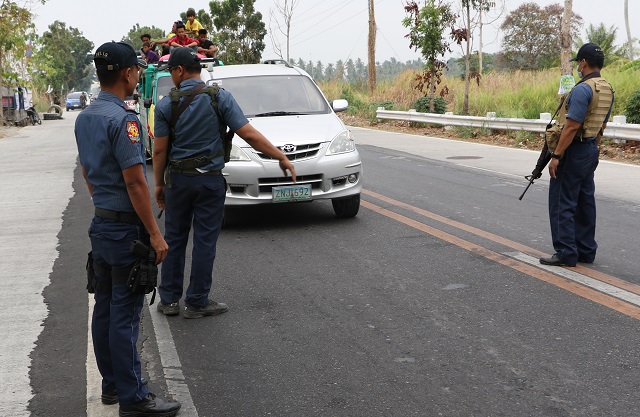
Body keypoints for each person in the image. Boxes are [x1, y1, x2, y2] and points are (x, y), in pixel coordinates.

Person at [75, 41, 181, 416]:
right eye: (136, 69)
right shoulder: (126, 120)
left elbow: (88, 173)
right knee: (125, 314)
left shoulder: (85, 117)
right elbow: (136, 183)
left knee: (104, 309)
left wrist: (103, 204)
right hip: (124, 234)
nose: (139, 74)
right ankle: (134, 397)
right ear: (126, 73)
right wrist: (154, 232)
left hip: (101, 226)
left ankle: (111, 387)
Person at [152, 48, 296, 318]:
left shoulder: (165, 104)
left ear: (180, 70)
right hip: (209, 183)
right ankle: (196, 302)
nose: (171, 76)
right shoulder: (220, 98)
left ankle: (169, 300)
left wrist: (159, 185)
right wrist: (280, 156)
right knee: (205, 241)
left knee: (175, 238)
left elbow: (159, 151)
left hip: (178, 183)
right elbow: (249, 134)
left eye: (171, 70)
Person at [539, 42, 614, 267]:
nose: (578, 68)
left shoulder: (583, 89)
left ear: (583, 63)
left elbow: (571, 126)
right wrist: (594, 148)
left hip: (574, 150)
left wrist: (557, 156)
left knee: (563, 201)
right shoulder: (606, 88)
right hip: (590, 149)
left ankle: (566, 252)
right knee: (584, 201)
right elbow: (601, 124)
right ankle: (586, 250)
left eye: (578, 64)